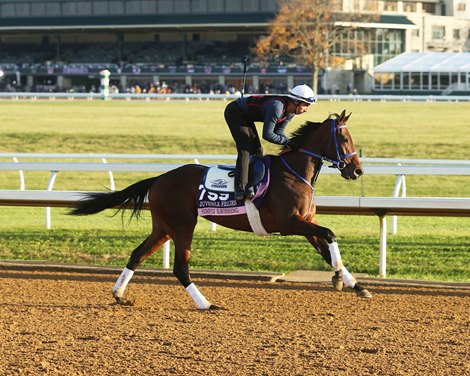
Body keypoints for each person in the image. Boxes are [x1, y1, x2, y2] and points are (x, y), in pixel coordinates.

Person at [224, 84, 316, 201]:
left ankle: (251, 183)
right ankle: (240, 189)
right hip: (235, 112)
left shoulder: (290, 112)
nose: (307, 109)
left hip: (246, 116)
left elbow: (279, 131)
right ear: (296, 101)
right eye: (306, 105)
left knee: (258, 150)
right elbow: (267, 135)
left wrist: (289, 143)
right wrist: (287, 142)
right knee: (245, 149)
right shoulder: (277, 107)